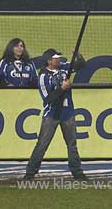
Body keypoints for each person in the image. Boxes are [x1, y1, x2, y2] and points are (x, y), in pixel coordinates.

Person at [23, 49, 87, 181]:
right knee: (42, 145)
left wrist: (78, 56)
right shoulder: (43, 77)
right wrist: (62, 88)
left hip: (68, 113)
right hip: (51, 115)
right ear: (49, 61)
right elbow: (47, 98)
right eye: (55, 58)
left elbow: (80, 65)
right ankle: (30, 173)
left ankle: (77, 172)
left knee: (72, 144)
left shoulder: (64, 68)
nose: (58, 59)